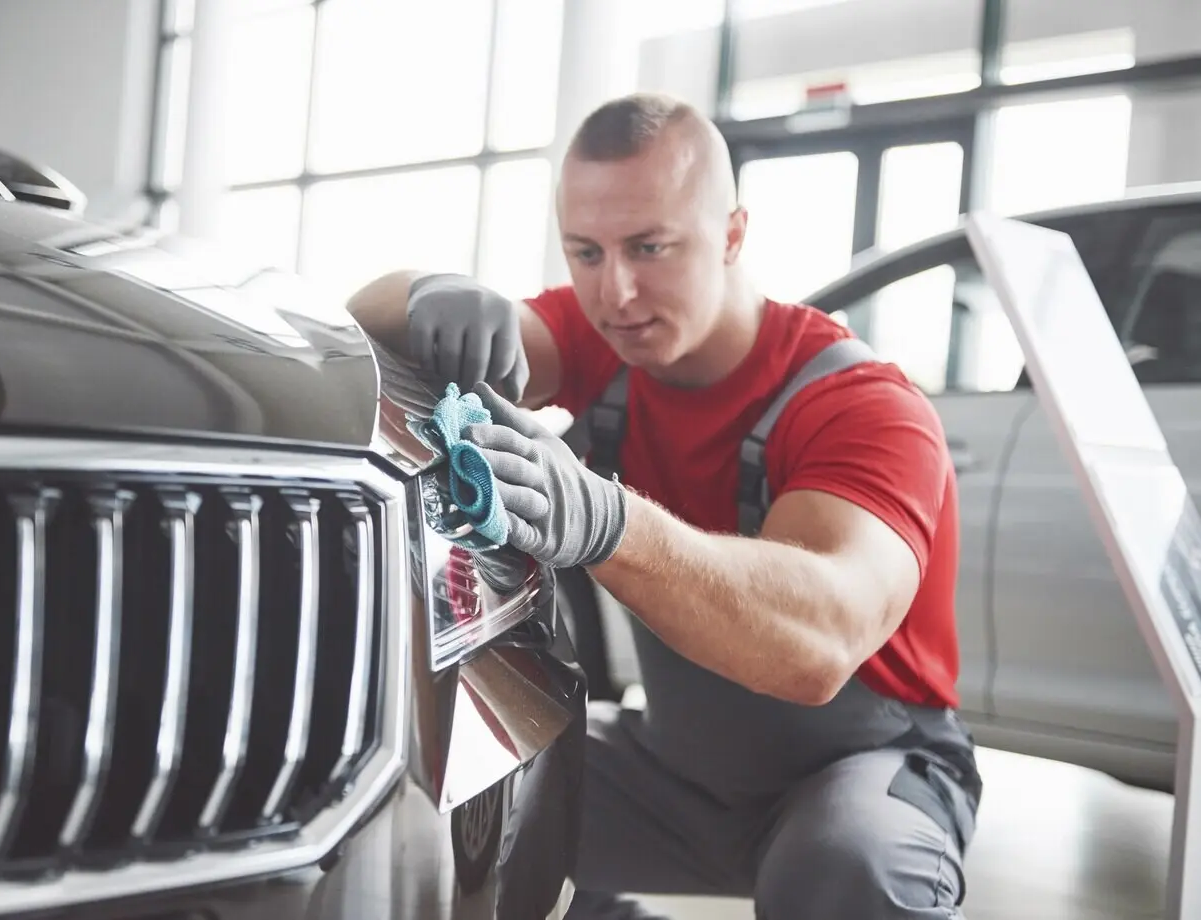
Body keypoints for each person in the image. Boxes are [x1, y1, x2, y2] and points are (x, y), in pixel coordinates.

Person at [346, 92, 981, 920]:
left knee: (846, 870)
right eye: (586, 252)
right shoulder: (606, 340)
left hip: (861, 771)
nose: (616, 292)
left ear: (732, 235)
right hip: (679, 769)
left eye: (651, 247)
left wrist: (609, 524)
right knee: (452, 796)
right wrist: (423, 295)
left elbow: (819, 645)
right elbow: (369, 326)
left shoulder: (859, 405)